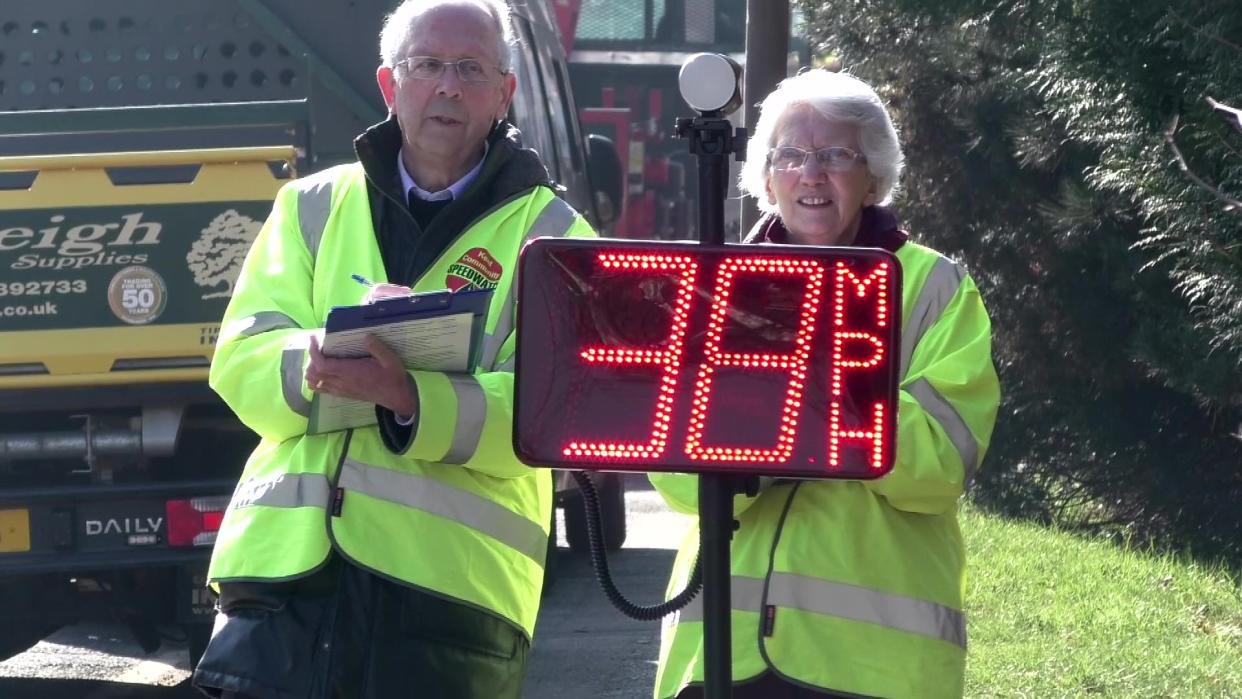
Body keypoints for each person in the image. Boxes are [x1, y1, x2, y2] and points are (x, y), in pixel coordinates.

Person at [192, 1, 595, 697]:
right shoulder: (311, 205)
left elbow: (560, 414)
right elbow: (239, 355)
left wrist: (412, 398)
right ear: (389, 85)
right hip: (284, 587)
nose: (447, 85)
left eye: (470, 68)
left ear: (505, 93)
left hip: (448, 602)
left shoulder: (559, 238)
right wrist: (312, 362)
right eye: (427, 65)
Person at [649, 70, 1001, 699]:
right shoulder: (714, 287)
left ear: (873, 176)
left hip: (873, 667)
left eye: (837, 155)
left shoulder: (935, 287)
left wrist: (808, 389)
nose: (811, 174)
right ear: (765, 176)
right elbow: (675, 477)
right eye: (791, 155)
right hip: (719, 660)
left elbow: (943, 462)